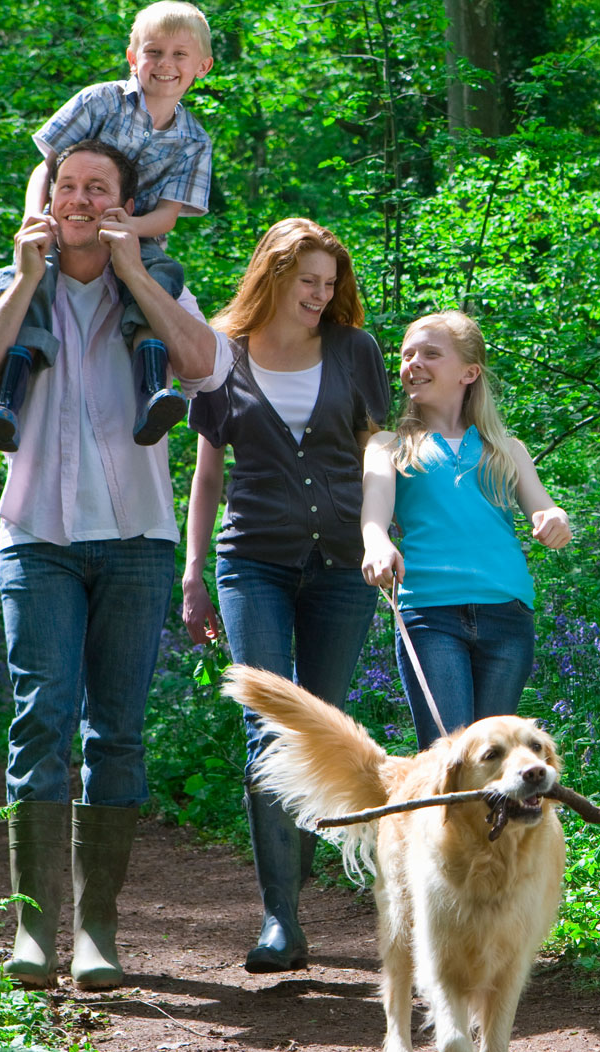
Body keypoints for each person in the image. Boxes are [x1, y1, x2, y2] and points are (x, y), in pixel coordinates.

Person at [0, 140, 229, 990]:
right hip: (37, 537)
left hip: (137, 537)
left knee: (118, 731)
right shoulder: (2, 288)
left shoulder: (163, 285)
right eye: (67, 185)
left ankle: (97, 930)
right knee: (42, 719)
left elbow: (205, 367)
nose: (79, 198)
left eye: (98, 187)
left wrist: (135, 271)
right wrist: (27, 278)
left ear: (123, 203)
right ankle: (35, 933)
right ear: (49, 198)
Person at [180, 219, 390, 973]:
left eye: (330, 283)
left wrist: (380, 535)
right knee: (269, 733)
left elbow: (378, 450)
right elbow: (208, 474)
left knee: (321, 738)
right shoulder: (218, 351)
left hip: (342, 565)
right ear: (272, 273)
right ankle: (281, 921)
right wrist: (193, 570)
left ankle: (290, 880)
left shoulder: (355, 350)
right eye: (308, 281)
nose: (321, 295)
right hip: (251, 563)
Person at [0, 0, 217, 453]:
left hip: (137, 238)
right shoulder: (100, 100)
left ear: (202, 66)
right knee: (27, 285)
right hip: (66, 229)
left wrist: (128, 229)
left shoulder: (195, 140)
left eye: (180, 55)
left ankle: (153, 396)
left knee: (157, 287)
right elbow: (46, 166)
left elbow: (168, 215)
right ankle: (7, 400)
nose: (165, 64)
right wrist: (34, 214)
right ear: (133, 57)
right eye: (153, 52)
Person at [360, 311, 573, 750]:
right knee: (451, 760)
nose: (413, 363)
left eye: (431, 354)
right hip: (431, 614)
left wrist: (555, 519)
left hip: (507, 614)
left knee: (498, 763)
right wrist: (377, 544)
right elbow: (374, 514)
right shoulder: (389, 446)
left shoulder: (506, 450)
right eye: (407, 355)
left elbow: (546, 508)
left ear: (469, 373)